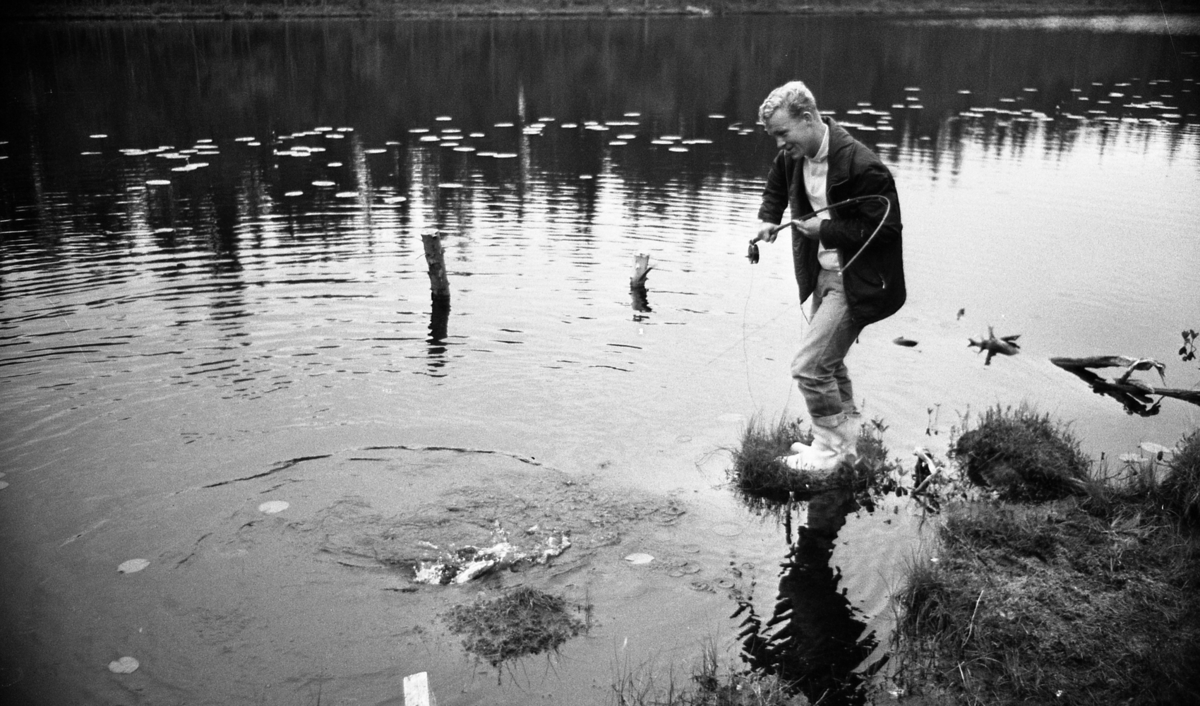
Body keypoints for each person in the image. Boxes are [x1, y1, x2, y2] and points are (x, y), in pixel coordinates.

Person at [753, 80, 905, 474]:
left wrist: (826, 230)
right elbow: (777, 181)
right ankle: (846, 450)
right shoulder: (793, 156)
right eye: (774, 137)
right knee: (830, 364)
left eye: (782, 133)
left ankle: (830, 451)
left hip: (857, 281)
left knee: (810, 366)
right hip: (823, 274)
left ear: (807, 118)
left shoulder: (863, 166)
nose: (779, 144)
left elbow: (887, 229)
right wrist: (769, 218)